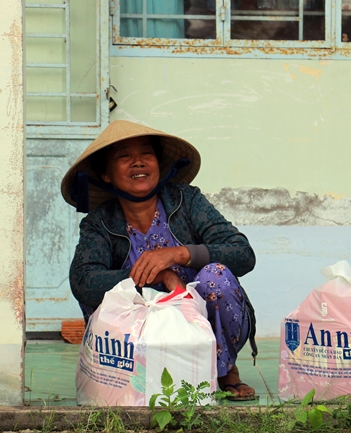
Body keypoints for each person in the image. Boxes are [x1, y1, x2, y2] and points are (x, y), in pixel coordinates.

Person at [61, 120, 258, 400]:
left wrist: (178, 254)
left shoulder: (187, 201)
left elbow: (242, 253)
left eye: (146, 154)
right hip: (141, 337)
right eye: (125, 156)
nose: (138, 163)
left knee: (217, 275)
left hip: (196, 320)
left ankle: (224, 371)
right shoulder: (99, 223)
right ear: (106, 174)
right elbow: (83, 281)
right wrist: (157, 275)